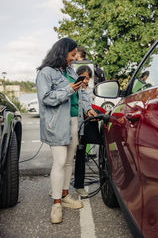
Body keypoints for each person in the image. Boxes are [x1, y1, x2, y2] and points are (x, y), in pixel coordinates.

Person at [36, 38, 97, 224]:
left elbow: (81, 93)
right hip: (56, 124)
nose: (73, 59)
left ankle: (64, 195)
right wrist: (68, 89)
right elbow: (45, 98)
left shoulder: (70, 70)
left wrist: (87, 108)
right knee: (60, 162)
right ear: (62, 53)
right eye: (72, 55)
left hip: (74, 121)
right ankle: (56, 204)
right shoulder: (45, 73)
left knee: (69, 161)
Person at [73, 65, 105, 197]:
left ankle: (79, 186)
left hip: (84, 127)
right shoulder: (74, 89)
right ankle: (57, 187)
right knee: (64, 160)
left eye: (88, 78)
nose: (86, 81)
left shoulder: (90, 90)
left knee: (80, 157)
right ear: (78, 75)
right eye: (84, 78)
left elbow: (89, 105)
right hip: (72, 125)